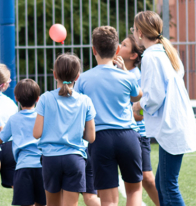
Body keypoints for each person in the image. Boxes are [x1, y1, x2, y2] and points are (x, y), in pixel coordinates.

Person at [131, 11, 196, 206]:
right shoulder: (165, 52)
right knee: (163, 185)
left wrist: (138, 105)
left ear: (140, 32)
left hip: (171, 127)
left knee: (168, 186)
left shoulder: (151, 57)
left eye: (134, 30)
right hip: (176, 124)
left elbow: (154, 97)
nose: (134, 34)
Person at [75, 26, 143, 206]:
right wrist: (125, 73)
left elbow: (77, 108)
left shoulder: (83, 79)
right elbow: (137, 96)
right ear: (117, 50)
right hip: (127, 136)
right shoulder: (127, 77)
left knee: (108, 200)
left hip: (100, 139)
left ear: (93, 49)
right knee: (135, 191)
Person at [33, 53, 97, 206]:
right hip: (75, 159)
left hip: (51, 159)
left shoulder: (45, 98)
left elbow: (36, 133)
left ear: (54, 74)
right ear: (77, 77)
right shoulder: (85, 101)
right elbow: (91, 137)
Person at [118, 35, 159, 206]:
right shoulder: (113, 72)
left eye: (124, 44)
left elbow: (140, 113)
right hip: (119, 134)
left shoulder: (136, 76)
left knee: (147, 179)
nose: (119, 45)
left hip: (138, 134)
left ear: (133, 55)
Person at [0, 79, 46, 206]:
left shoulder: (13, 119)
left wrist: (1, 131)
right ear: (37, 99)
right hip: (43, 167)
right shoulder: (42, 117)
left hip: (23, 168)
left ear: (16, 99)